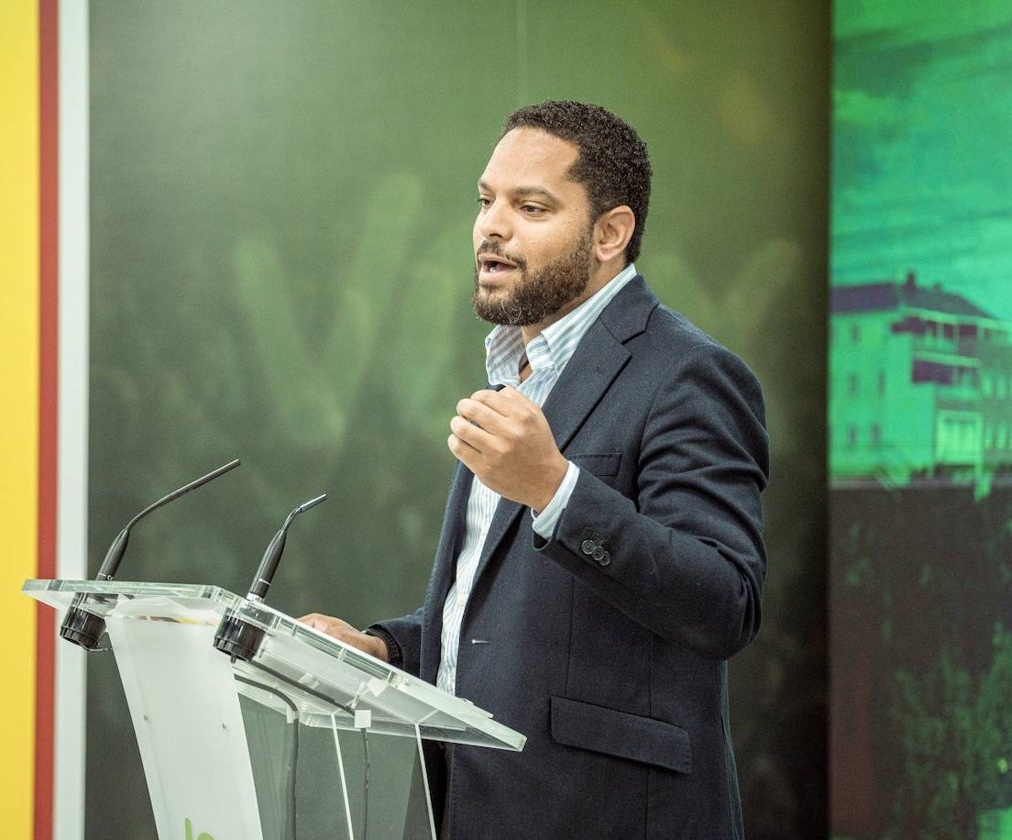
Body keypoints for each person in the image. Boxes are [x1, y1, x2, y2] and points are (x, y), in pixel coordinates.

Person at [302, 100, 768, 839]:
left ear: (610, 233)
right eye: (486, 201)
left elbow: (723, 601)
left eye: (531, 206)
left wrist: (556, 491)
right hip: (471, 806)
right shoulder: (512, 373)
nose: (491, 226)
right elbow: (507, 624)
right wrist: (388, 648)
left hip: (606, 815)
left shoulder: (689, 374)